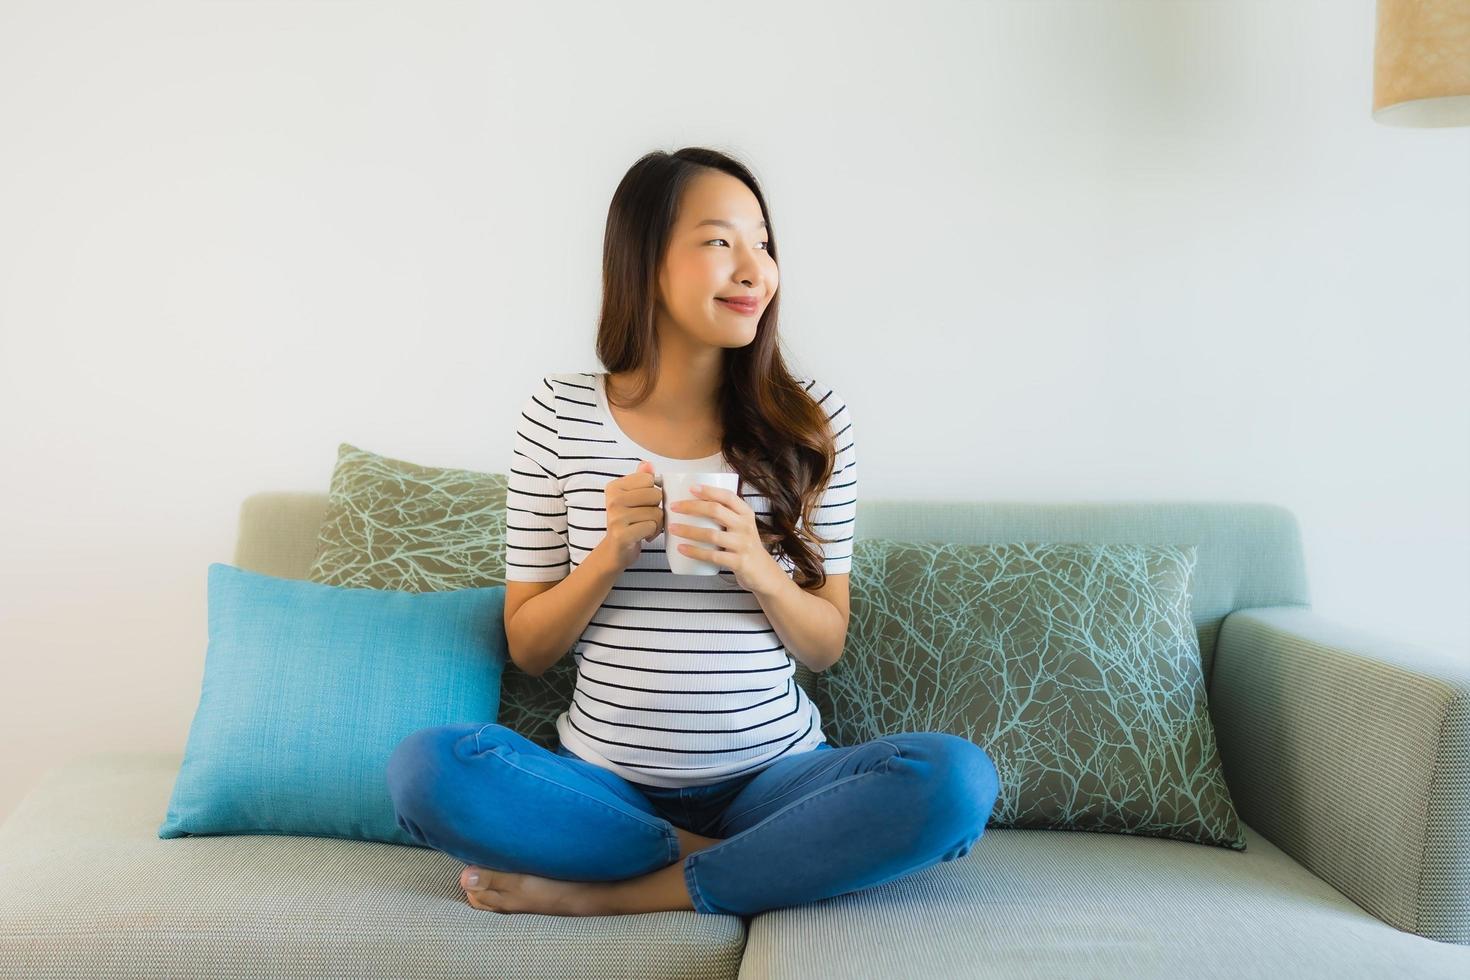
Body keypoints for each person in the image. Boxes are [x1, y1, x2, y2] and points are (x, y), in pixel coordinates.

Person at [386, 147, 999, 918]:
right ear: (645, 262)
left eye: (764, 244)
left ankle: (619, 894)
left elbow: (825, 645)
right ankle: (755, 866)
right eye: (721, 242)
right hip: (604, 788)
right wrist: (608, 556)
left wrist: (758, 564)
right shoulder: (559, 416)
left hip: (775, 782)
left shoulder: (810, 423)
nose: (756, 269)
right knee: (430, 770)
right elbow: (530, 648)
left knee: (955, 781)